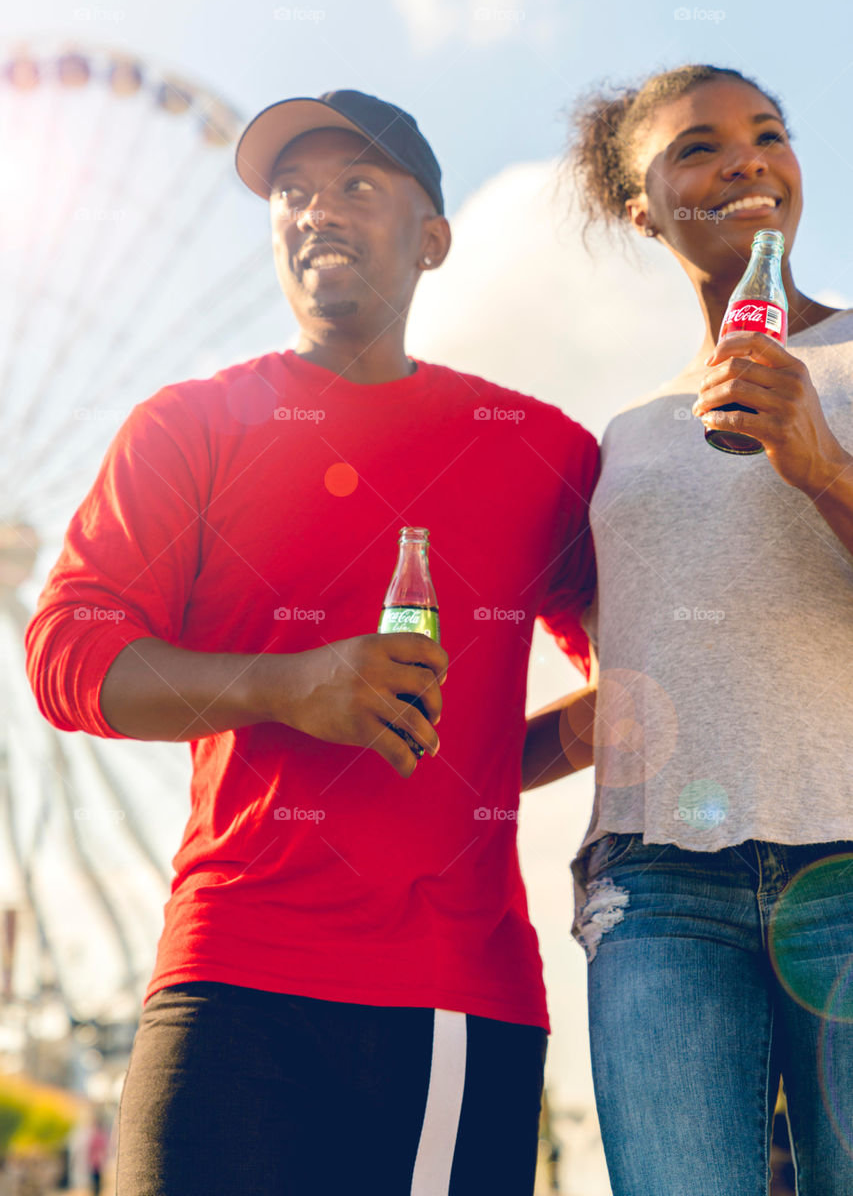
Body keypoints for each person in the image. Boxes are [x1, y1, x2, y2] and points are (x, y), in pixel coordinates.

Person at [25, 89, 599, 1196]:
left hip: (449, 995)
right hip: (228, 963)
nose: (314, 209)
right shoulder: (185, 428)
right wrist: (291, 685)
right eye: (290, 190)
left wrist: (479, 761)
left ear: (433, 238)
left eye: (356, 185)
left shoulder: (540, 451)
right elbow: (68, 654)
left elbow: (632, 693)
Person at [525, 63, 853, 1195]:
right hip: (656, 888)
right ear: (639, 204)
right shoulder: (623, 438)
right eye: (698, 147)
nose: (745, 160)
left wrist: (823, 470)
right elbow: (636, 685)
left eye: (768, 132)